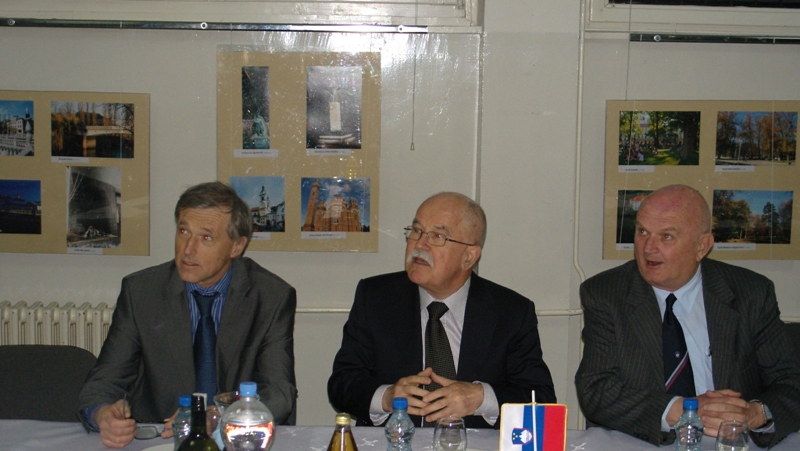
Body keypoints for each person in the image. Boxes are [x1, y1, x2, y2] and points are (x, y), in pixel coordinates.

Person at [575, 184, 800, 448]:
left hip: (730, 442)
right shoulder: (606, 293)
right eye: (642, 232)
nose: (648, 248)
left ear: (702, 246)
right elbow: (596, 388)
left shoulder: (750, 293)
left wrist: (755, 413)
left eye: (666, 236)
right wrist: (684, 409)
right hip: (648, 440)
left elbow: (791, 382)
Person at [78, 181, 297, 448]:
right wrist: (102, 414)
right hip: (161, 441)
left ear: (237, 246)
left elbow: (279, 393)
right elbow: (104, 381)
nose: (188, 249)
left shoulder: (271, 296)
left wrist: (218, 416)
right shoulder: (141, 292)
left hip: (239, 440)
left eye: (206, 238)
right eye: (184, 232)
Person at [328, 192, 556, 429]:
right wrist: (387, 397)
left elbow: (540, 398)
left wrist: (480, 398)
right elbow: (342, 385)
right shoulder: (376, 298)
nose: (419, 244)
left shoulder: (511, 312)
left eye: (437, 236)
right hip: (395, 442)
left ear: (469, 257)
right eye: (416, 231)